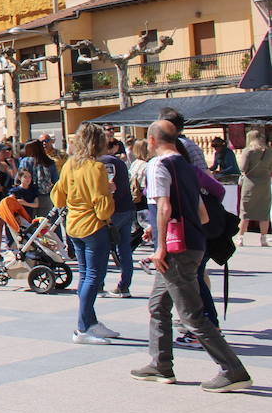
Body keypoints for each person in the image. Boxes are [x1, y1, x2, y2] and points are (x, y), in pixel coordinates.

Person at [132, 120, 252, 392]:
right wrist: (161, 228)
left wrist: (161, 245)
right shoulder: (188, 167)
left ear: (151, 140)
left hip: (175, 249)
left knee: (191, 314)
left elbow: (163, 206)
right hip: (193, 243)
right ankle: (160, 364)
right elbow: (202, 212)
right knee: (158, 306)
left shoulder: (158, 165)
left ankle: (233, 369)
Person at [51, 123, 117, 345]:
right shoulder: (96, 168)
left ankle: (90, 321)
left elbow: (58, 197)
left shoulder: (70, 165)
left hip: (73, 225)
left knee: (84, 274)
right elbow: (102, 206)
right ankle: (82, 328)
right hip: (93, 226)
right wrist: (109, 192)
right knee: (94, 276)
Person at [100, 136, 137, 299]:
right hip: (127, 208)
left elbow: (109, 186)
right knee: (125, 249)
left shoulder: (104, 162)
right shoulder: (119, 162)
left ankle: (99, 285)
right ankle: (124, 285)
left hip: (112, 211)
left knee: (102, 249)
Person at [238, 129, 271, 246]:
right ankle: (263, 239)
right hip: (265, 184)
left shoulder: (248, 151)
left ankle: (241, 238)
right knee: (264, 212)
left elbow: (243, 168)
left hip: (250, 184)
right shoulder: (268, 151)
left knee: (245, 212)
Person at [18, 140, 58, 215]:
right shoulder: (49, 162)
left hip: (28, 196)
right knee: (45, 223)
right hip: (45, 196)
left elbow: (18, 178)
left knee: (29, 223)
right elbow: (55, 180)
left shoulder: (25, 161)